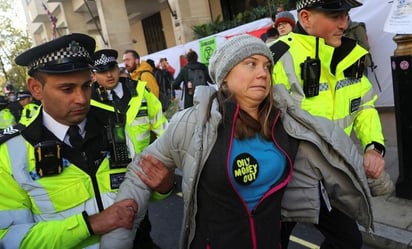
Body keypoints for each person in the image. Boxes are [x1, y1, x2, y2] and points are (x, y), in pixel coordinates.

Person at [101, 34, 300, 249]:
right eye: (251, 64)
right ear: (225, 75)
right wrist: (116, 241)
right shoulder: (192, 123)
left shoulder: (288, 122)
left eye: (267, 66)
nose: (263, 74)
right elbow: (139, 174)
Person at [270, 0, 393, 248]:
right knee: (271, 242)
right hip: (284, 177)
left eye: (346, 15)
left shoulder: (353, 55)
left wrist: (373, 146)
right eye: (335, 15)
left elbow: (365, 106)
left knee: (347, 241)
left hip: (330, 174)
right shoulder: (277, 58)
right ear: (305, 18)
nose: (343, 23)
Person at [0, 33, 138, 248]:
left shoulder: (113, 122)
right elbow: (11, 237)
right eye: (67, 89)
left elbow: (138, 188)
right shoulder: (11, 152)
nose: (82, 99)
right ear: (36, 88)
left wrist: (162, 187)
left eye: (85, 86)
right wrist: (88, 225)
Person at [90, 49, 172, 249]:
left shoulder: (140, 91)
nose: (109, 75)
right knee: (116, 232)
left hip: (140, 174)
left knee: (141, 229)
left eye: (111, 69)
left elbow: (163, 129)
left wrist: (168, 162)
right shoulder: (86, 100)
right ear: (93, 74)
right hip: (105, 182)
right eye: (102, 71)